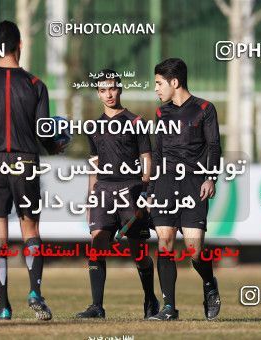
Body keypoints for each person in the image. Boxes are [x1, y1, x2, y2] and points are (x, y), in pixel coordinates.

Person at [0, 20, 62, 321]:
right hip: (25, 161)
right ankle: (35, 291)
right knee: (30, 230)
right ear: (20, 45)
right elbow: (45, 133)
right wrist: (55, 146)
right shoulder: (35, 84)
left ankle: (3, 304)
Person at [75, 70, 159, 319]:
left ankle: (150, 299)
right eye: (102, 90)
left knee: (139, 253)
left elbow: (147, 161)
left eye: (112, 88)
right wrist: (91, 198)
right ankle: (97, 306)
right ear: (98, 93)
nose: (108, 94)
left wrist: (146, 194)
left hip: (131, 190)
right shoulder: (93, 126)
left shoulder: (136, 122)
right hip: (103, 191)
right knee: (97, 244)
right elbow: (94, 166)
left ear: (120, 89)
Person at [148, 58, 222, 321]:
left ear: (174, 82)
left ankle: (209, 283)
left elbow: (214, 147)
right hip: (166, 182)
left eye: (159, 83)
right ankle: (169, 308)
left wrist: (210, 177)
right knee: (165, 242)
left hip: (193, 183)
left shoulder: (204, 108)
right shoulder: (160, 113)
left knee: (194, 250)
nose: (156, 89)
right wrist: (151, 190)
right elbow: (157, 154)